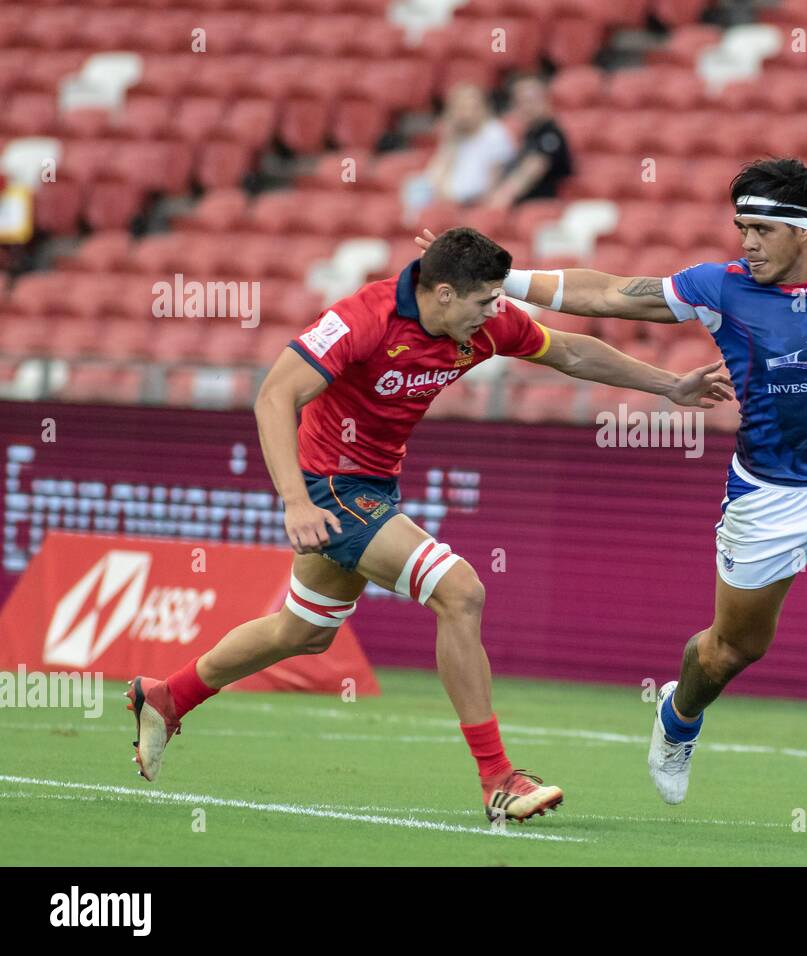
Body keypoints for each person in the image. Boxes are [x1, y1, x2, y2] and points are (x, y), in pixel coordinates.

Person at [452, 157, 807, 816]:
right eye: (740, 227)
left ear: (804, 231)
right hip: (767, 497)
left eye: (760, 230)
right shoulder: (721, 287)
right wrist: (504, 278)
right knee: (732, 649)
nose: (746, 243)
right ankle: (678, 718)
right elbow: (612, 293)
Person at [125, 227, 733, 823]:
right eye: (483, 301)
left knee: (301, 634)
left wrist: (668, 385)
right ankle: (498, 778)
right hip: (330, 487)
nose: (494, 311)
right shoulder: (363, 317)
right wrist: (294, 502)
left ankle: (167, 696)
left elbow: (569, 350)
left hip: (375, 485)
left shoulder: (483, 321)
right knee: (461, 591)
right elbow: (274, 396)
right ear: (443, 293)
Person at [401, 84, 516, 221]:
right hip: (445, 198)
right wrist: (450, 141)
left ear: (482, 108)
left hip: (471, 201)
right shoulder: (455, 136)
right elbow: (435, 174)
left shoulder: (495, 133)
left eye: (470, 108)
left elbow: (496, 178)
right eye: (459, 108)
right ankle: (411, 228)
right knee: (415, 185)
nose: (465, 114)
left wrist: (483, 206)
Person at [484, 75, 573, 208]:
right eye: (520, 102)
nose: (526, 107)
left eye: (531, 100)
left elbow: (533, 168)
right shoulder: (529, 134)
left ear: (546, 100)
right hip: (522, 206)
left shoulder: (550, 133)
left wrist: (501, 197)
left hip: (543, 206)